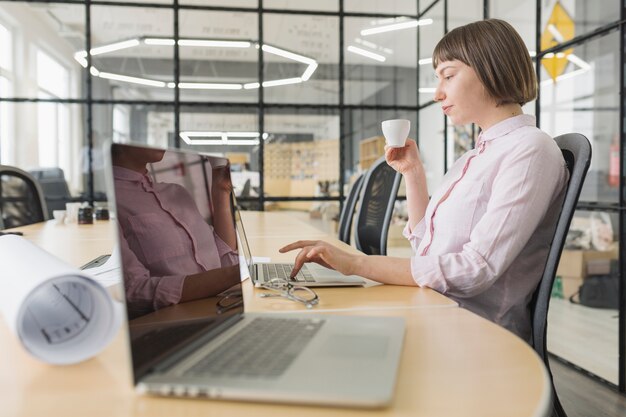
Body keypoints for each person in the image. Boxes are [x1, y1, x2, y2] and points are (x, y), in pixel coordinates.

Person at [280, 19, 569, 343]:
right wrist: (413, 174)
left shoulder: (530, 150)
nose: (437, 93)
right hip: (436, 309)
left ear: (491, 68)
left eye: (448, 75)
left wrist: (356, 264)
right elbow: (426, 249)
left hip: (473, 334)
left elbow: (475, 269)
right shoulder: (475, 156)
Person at [112, 145, 240, 318]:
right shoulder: (111, 202)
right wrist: (235, 274)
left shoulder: (176, 193)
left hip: (224, 307)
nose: (160, 139)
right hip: (175, 323)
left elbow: (225, 261)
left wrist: (221, 191)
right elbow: (133, 291)